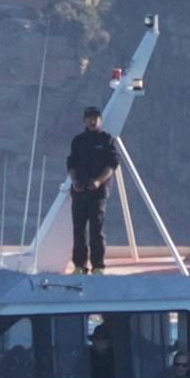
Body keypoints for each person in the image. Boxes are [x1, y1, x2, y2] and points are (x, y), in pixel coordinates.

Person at [65, 105, 119, 274]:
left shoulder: (107, 139)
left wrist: (98, 181)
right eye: (89, 117)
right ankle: (80, 266)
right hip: (80, 192)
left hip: (97, 193)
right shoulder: (78, 141)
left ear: (100, 120)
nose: (92, 120)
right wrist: (74, 181)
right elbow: (71, 164)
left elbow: (112, 164)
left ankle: (98, 267)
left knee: (97, 231)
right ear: (84, 120)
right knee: (78, 231)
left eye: (95, 117)